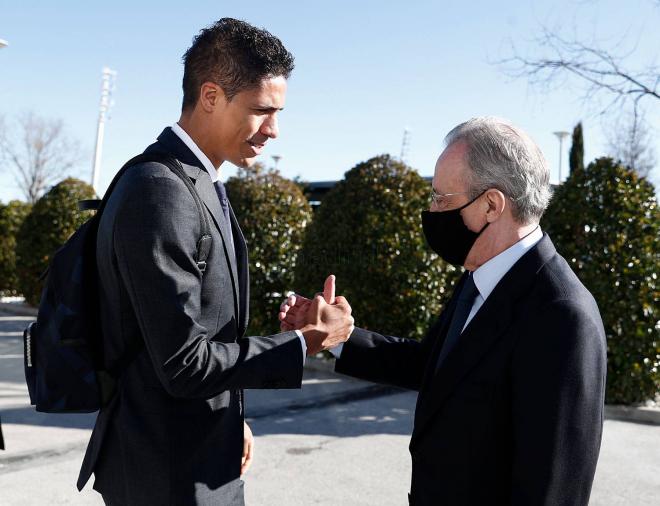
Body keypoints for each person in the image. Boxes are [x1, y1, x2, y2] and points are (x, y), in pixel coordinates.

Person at [77, 18, 353, 506]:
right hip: (165, 475)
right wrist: (300, 344)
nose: (273, 130)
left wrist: (232, 418)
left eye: (278, 111)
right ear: (210, 96)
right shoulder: (161, 190)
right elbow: (184, 363)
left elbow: (199, 335)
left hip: (196, 456)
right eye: (261, 110)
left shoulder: (196, 183)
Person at [281, 117, 607, 505]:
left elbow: (553, 490)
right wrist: (341, 336)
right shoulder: (481, 274)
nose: (432, 212)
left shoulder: (562, 316)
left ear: (491, 204)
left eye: (441, 199)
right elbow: (433, 366)